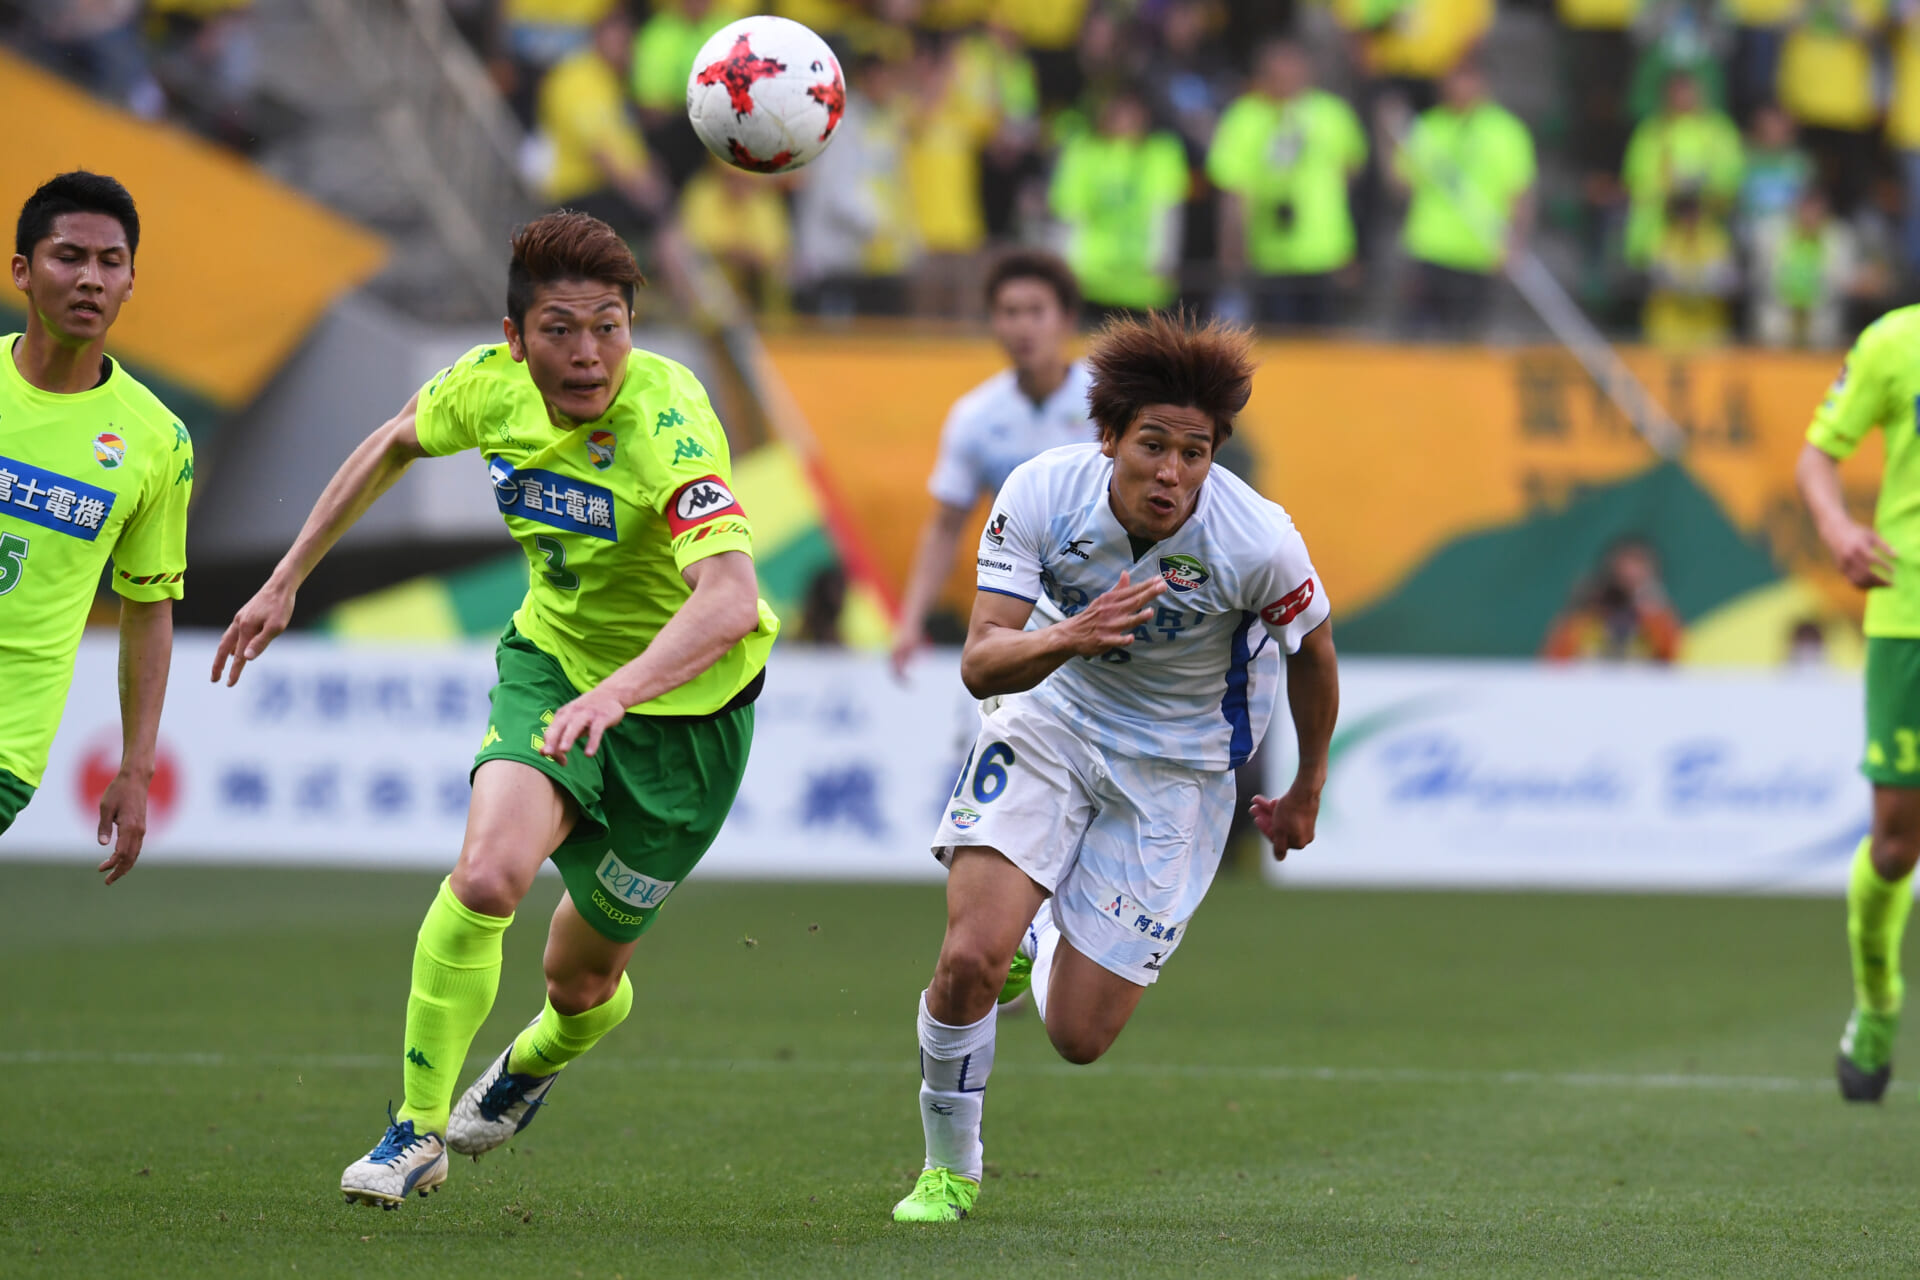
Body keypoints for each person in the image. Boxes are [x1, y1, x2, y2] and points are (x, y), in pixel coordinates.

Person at [212, 212, 779, 1207]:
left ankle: (534, 1060)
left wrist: (621, 692)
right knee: (485, 877)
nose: (589, 353)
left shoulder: (667, 422)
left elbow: (730, 600)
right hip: (553, 670)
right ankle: (415, 1129)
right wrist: (287, 576)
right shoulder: (487, 386)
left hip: (688, 721)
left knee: (580, 982)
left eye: (609, 327)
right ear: (516, 338)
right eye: (560, 329)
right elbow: (392, 441)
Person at [889, 312, 1339, 1223]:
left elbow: (1315, 654)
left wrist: (1306, 788)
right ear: (1109, 438)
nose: (1172, 472)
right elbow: (982, 660)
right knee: (969, 958)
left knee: (1080, 1036)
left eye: (1194, 453)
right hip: (1051, 718)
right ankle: (949, 1170)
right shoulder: (1041, 491)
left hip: (1179, 766)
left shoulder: (1257, 539)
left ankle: (1044, 933)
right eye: (1153, 446)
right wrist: (1071, 636)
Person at [0, 172, 190, 871]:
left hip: (8, 740)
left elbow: (148, 606)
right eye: (68, 256)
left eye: (111, 262)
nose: (91, 279)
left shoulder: (158, 441)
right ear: (22, 271)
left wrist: (136, 769)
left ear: (131, 282)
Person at [1796, 304, 1920, 1103]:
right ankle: (1877, 1003)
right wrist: (1838, 527)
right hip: (1909, 618)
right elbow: (1817, 455)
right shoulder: (1895, 342)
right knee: (1896, 846)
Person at [890, 251, 1093, 678]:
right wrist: (911, 621)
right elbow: (946, 527)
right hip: (1017, 613)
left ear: (1067, 319)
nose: (1022, 326)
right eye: (1009, 312)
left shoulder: (1109, 403)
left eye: (1036, 311)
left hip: (1099, 601)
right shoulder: (975, 416)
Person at [1207, 38, 1368, 329]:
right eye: (1278, 73)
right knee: (1278, 343)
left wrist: (1349, 249)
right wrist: (1231, 250)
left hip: (1326, 254)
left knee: (1325, 345)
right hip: (1269, 256)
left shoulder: (1332, 114)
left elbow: (1350, 175)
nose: (1287, 80)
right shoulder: (1244, 117)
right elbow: (1232, 192)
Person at [1393, 59, 1536, 337]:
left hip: (1478, 249)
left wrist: (1514, 243)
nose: (1460, 88)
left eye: (1467, 80)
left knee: (1467, 338)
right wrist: (1389, 138)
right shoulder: (1428, 126)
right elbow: (1401, 185)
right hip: (1429, 246)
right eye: (1454, 80)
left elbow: (1520, 193)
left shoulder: (1506, 131)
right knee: (1418, 336)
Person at [1048, 89, 1191, 321]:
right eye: (1119, 111)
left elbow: (1167, 212)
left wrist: (1164, 260)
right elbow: (1070, 215)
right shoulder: (1083, 153)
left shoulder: (1162, 153)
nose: (1125, 119)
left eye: (1132, 111)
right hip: (1091, 280)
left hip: (1145, 282)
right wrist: (1066, 269)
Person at [1540, 539, 1683, 661]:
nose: (1632, 573)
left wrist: (1654, 613)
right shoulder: (1586, 614)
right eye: (1627, 565)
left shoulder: (1657, 616)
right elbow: (1555, 660)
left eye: (1639, 565)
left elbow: (1674, 659)